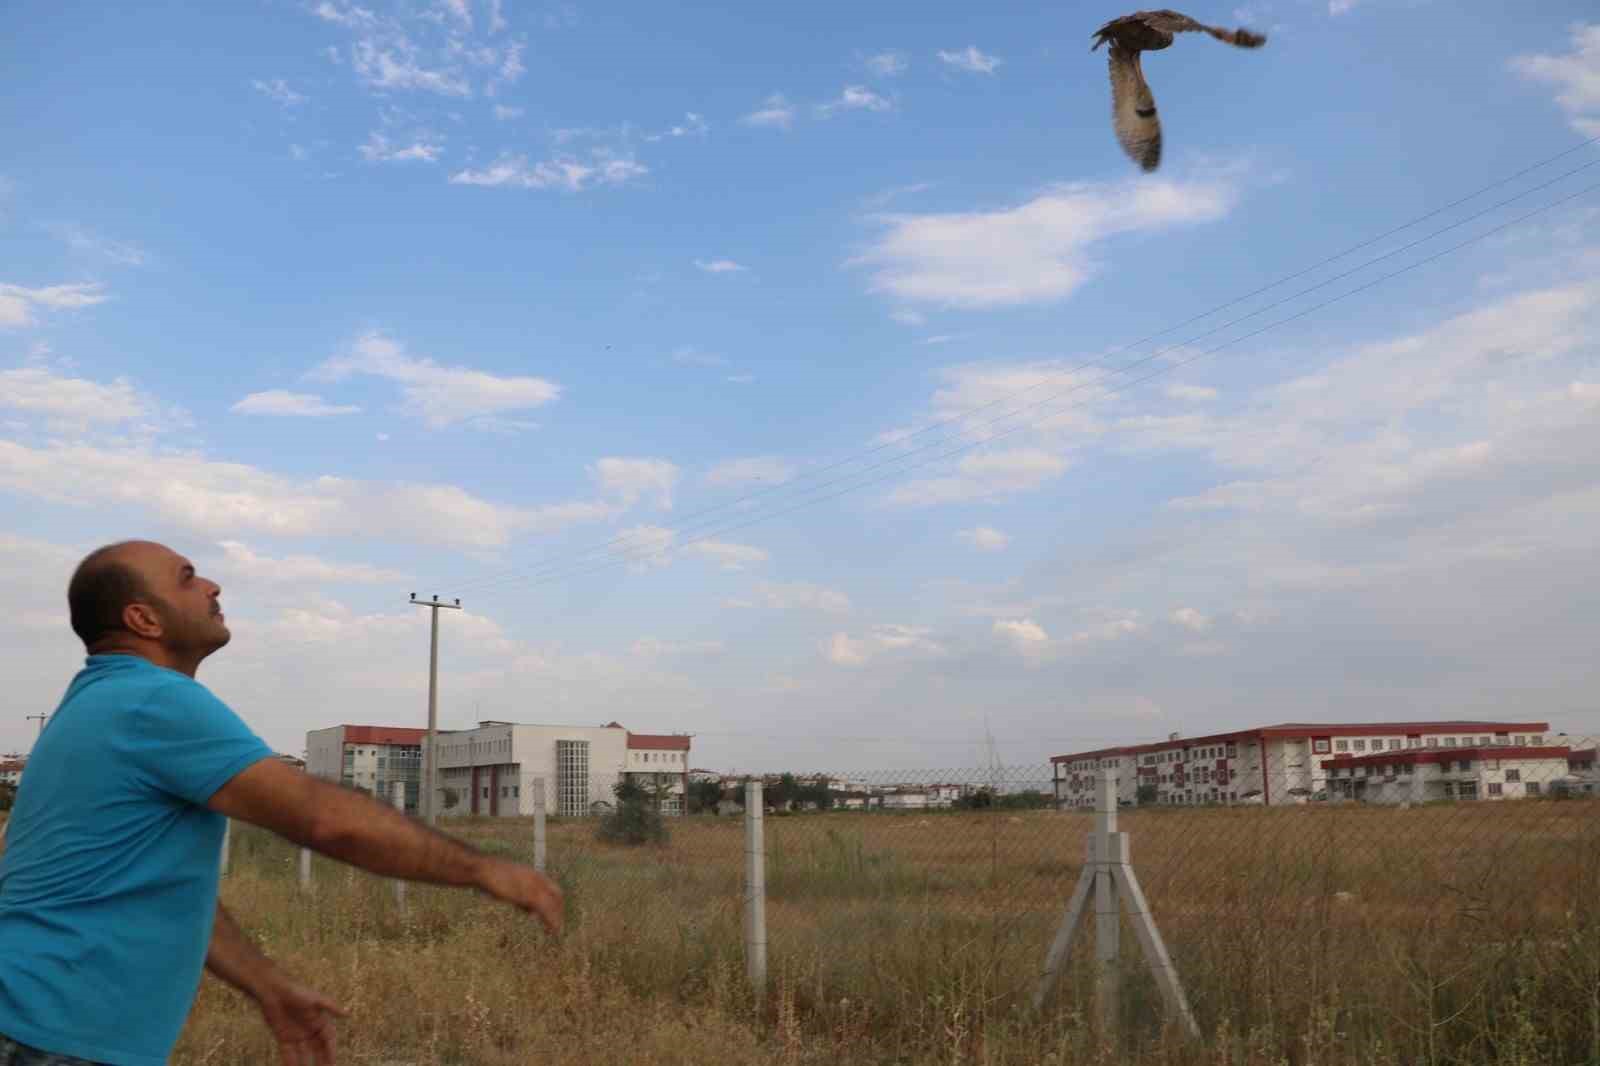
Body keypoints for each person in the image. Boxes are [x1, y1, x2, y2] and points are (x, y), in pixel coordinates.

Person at [0, 541, 563, 1066]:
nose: (213, 586)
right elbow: (323, 820)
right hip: (50, 1035)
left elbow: (157, 891)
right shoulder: (153, 700)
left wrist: (266, 984)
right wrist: (483, 868)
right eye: (188, 578)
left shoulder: (102, 699)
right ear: (143, 618)